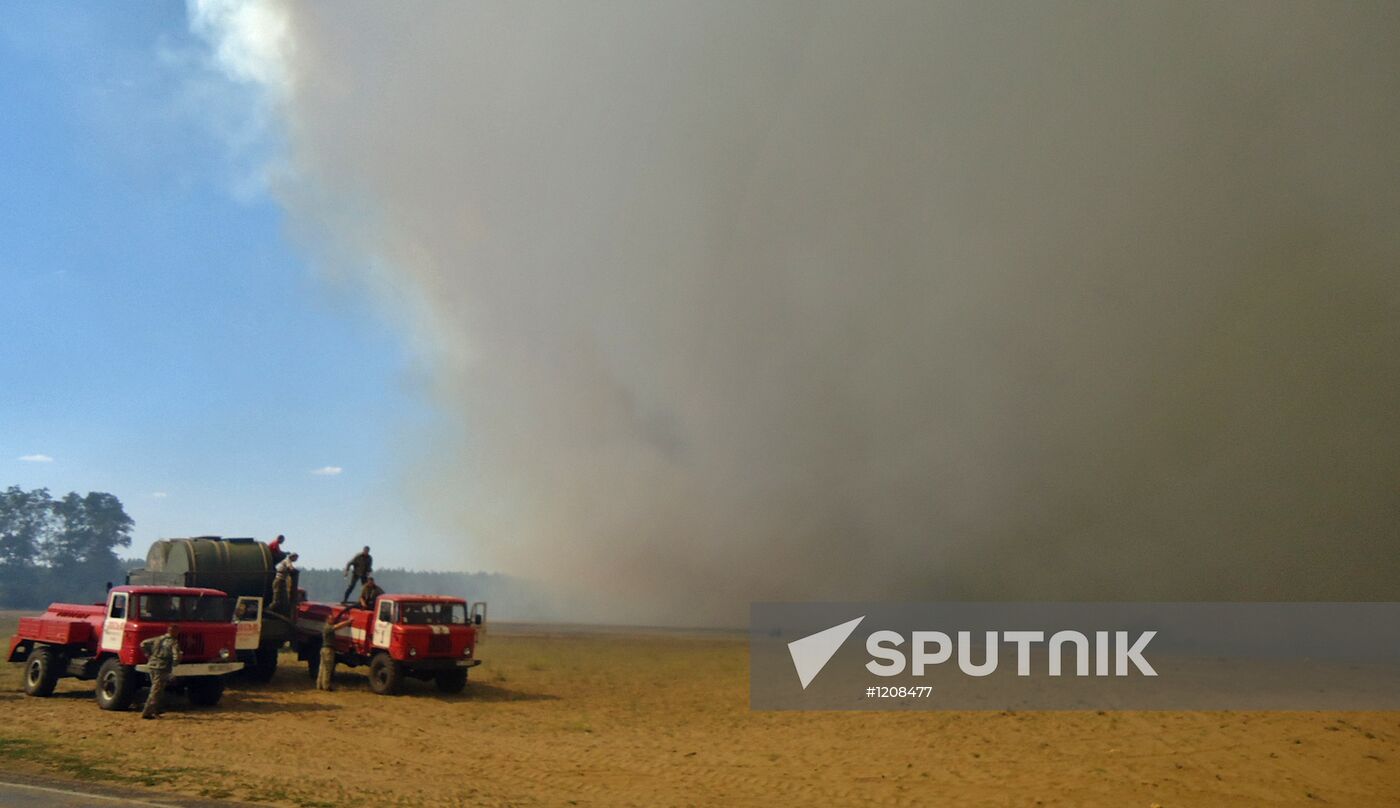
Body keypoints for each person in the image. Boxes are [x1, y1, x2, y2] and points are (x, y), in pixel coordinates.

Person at [140, 626, 182, 719]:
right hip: (162, 667)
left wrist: (148, 654)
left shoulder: (158, 639)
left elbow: (143, 644)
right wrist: (176, 661)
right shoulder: (173, 642)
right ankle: (147, 711)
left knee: (156, 688)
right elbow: (176, 655)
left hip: (152, 665)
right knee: (156, 690)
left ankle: (155, 710)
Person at [317, 611, 352, 691]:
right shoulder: (328, 628)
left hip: (324, 649)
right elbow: (337, 626)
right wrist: (348, 622)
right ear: (327, 620)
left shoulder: (326, 627)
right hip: (328, 650)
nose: (333, 620)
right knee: (328, 669)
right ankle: (326, 686)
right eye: (331, 619)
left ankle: (319, 684)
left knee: (322, 668)